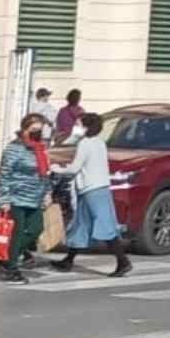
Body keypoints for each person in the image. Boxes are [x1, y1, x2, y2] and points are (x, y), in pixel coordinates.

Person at [50, 112, 131, 278]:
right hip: (96, 187)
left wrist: (56, 169)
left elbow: (74, 168)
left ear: (86, 127)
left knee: (105, 226)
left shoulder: (85, 144)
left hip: (92, 189)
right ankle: (68, 260)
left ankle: (123, 261)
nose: (76, 127)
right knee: (81, 224)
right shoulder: (100, 143)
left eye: (78, 124)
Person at [0, 113, 53, 284]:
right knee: (17, 233)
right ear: (24, 129)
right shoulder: (14, 149)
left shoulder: (40, 149)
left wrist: (47, 193)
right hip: (16, 197)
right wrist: (4, 199)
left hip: (35, 197)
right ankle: (12, 269)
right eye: (34, 130)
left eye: (40, 131)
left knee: (36, 229)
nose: (37, 133)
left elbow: (45, 174)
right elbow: (4, 175)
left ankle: (7, 258)